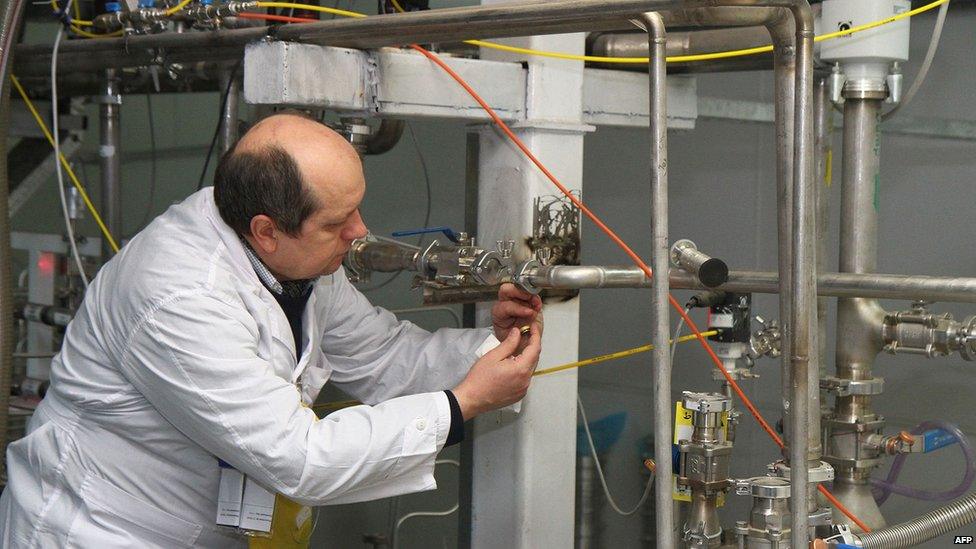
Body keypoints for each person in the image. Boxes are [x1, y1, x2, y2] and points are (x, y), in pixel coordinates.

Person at [0, 113, 543, 548]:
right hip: (103, 530)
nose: (359, 234)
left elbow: (381, 356)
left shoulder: (294, 258)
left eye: (356, 211)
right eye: (338, 222)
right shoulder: (179, 296)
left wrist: (492, 348)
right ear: (266, 231)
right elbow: (298, 457)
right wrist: (461, 404)